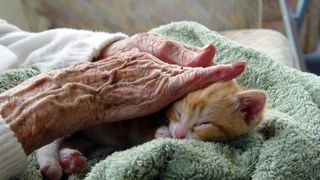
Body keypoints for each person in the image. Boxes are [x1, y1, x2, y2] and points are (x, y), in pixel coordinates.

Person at [0, 19, 245, 179]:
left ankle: (70, 147)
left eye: (201, 124)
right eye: (180, 116)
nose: (179, 133)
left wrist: (105, 47)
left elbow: (16, 40)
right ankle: (55, 146)